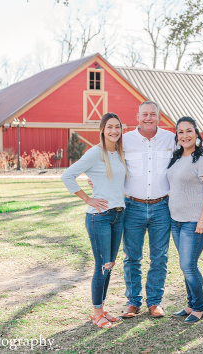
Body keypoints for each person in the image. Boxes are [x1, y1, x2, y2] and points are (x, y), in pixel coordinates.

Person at [61, 113, 128, 329]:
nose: (114, 131)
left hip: (118, 215)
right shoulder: (95, 153)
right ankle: (96, 313)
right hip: (99, 217)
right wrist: (88, 198)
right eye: (109, 127)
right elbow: (67, 176)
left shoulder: (118, 154)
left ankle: (102, 308)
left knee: (110, 265)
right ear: (102, 130)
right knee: (102, 265)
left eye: (117, 127)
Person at [119, 101, 176, 319]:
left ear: (159, 117)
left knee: (159, 257)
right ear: (137, 116)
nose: (148, 118)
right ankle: (133, 302)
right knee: (132, 257)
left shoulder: (171, 139)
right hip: (132, 206)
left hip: (162, 206)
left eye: (153, 114)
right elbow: (108, 161)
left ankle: (154, 302)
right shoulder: (126, 140)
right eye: (145, 114)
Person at [166, 117, 203, 323]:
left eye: (189, 131)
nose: (185, 136)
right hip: (176, 220)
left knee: (188, 265)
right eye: (181, 132)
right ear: (177, 135)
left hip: (195, 221)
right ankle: (190, 305)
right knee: (185, 264)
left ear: (197, 134)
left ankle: (198, 308)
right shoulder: (177, 157)